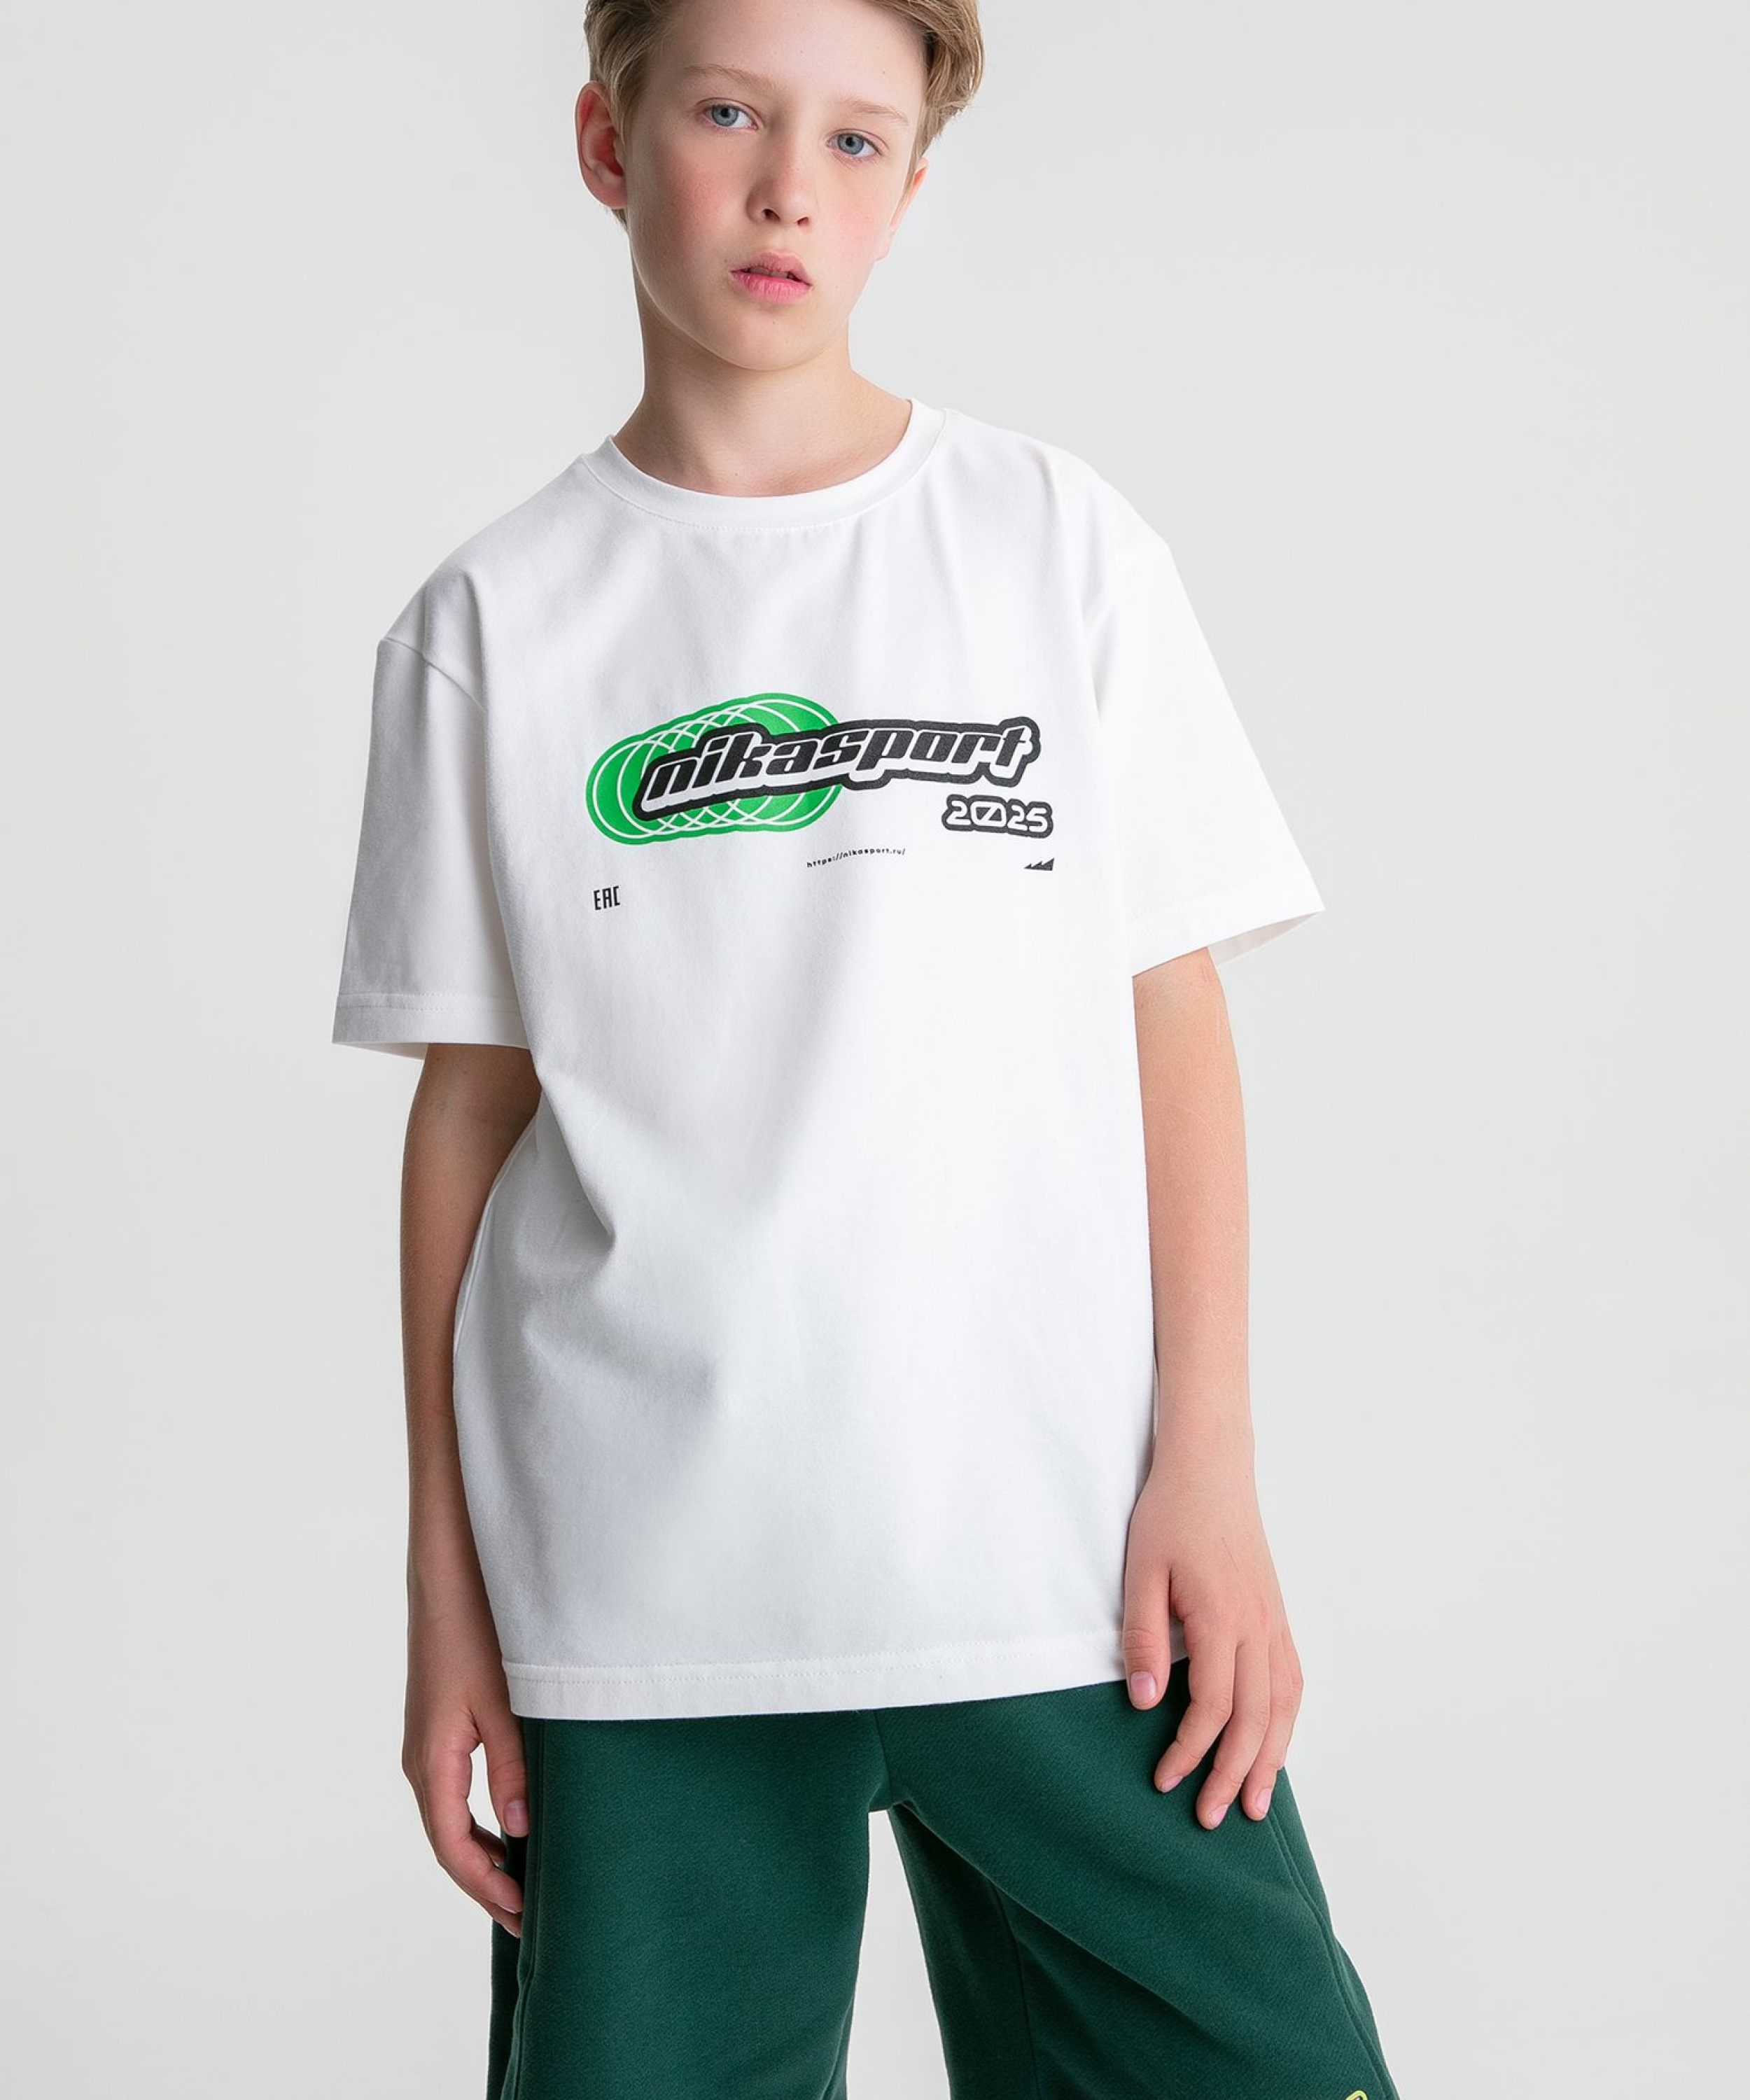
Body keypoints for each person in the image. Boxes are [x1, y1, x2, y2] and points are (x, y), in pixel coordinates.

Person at [329, 1, 1403, 2093]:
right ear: (607, 140)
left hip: (1062, 1563)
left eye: (853, 139)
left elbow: (1168, 1013)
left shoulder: (1051, 545)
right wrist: (446, 1596)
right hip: (641, 1587)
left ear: (909, 188)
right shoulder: (496, 622)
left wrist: (1211, 1470)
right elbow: (469, 1120)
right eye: (728, 112)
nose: (784, 188)